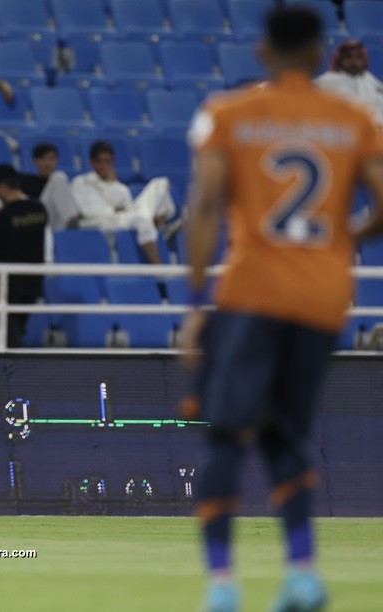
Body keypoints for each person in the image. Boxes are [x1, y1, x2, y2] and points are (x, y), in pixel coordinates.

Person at [180, 7, 383, 611]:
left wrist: (195, 304)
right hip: (324, 298)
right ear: (320, 55)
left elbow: (206, 207)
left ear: (263, 52)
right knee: (286, 434)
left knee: (225, 435)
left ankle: (221, 586)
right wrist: (342, 236)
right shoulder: (354, 118)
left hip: (252, 293)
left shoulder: (230, 113)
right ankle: (303, 575)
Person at [71, 140, 179, 265]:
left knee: (160, 184)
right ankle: (160, 267)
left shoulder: (120, 188)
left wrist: (112, 185)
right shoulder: (80, 183)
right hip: (99, 224)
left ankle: (159, 226)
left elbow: (128, 209)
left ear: (113, 162)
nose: (103, 166)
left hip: (121, 219)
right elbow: (84, 212)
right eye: (99, 161)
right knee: (142, 219)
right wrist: (114, 210)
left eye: (107, 161)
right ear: (91, 162)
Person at [0, 164, 48, 348]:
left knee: (9, 332)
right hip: (33, 280)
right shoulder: (40, 208)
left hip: (8, 283)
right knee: (19, 326)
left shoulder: (4, 215)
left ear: (3, 187)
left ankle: (13, 370)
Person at [315, 39, 383, 125]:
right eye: (348, 57)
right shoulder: (325, 82)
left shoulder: (369, 80)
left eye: (358, 57)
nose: (353, 62)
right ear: (340, 59)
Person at [19, 142, 82, 232]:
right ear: (35, 161)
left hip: (57, 225)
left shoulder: (62, 185)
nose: (47, 163)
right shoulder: (25, 181)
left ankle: (71, 226)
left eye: (51, 159)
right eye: (43, 159)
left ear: (57, 161)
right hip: (38, 220)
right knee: (59, 176)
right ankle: (72, 224)